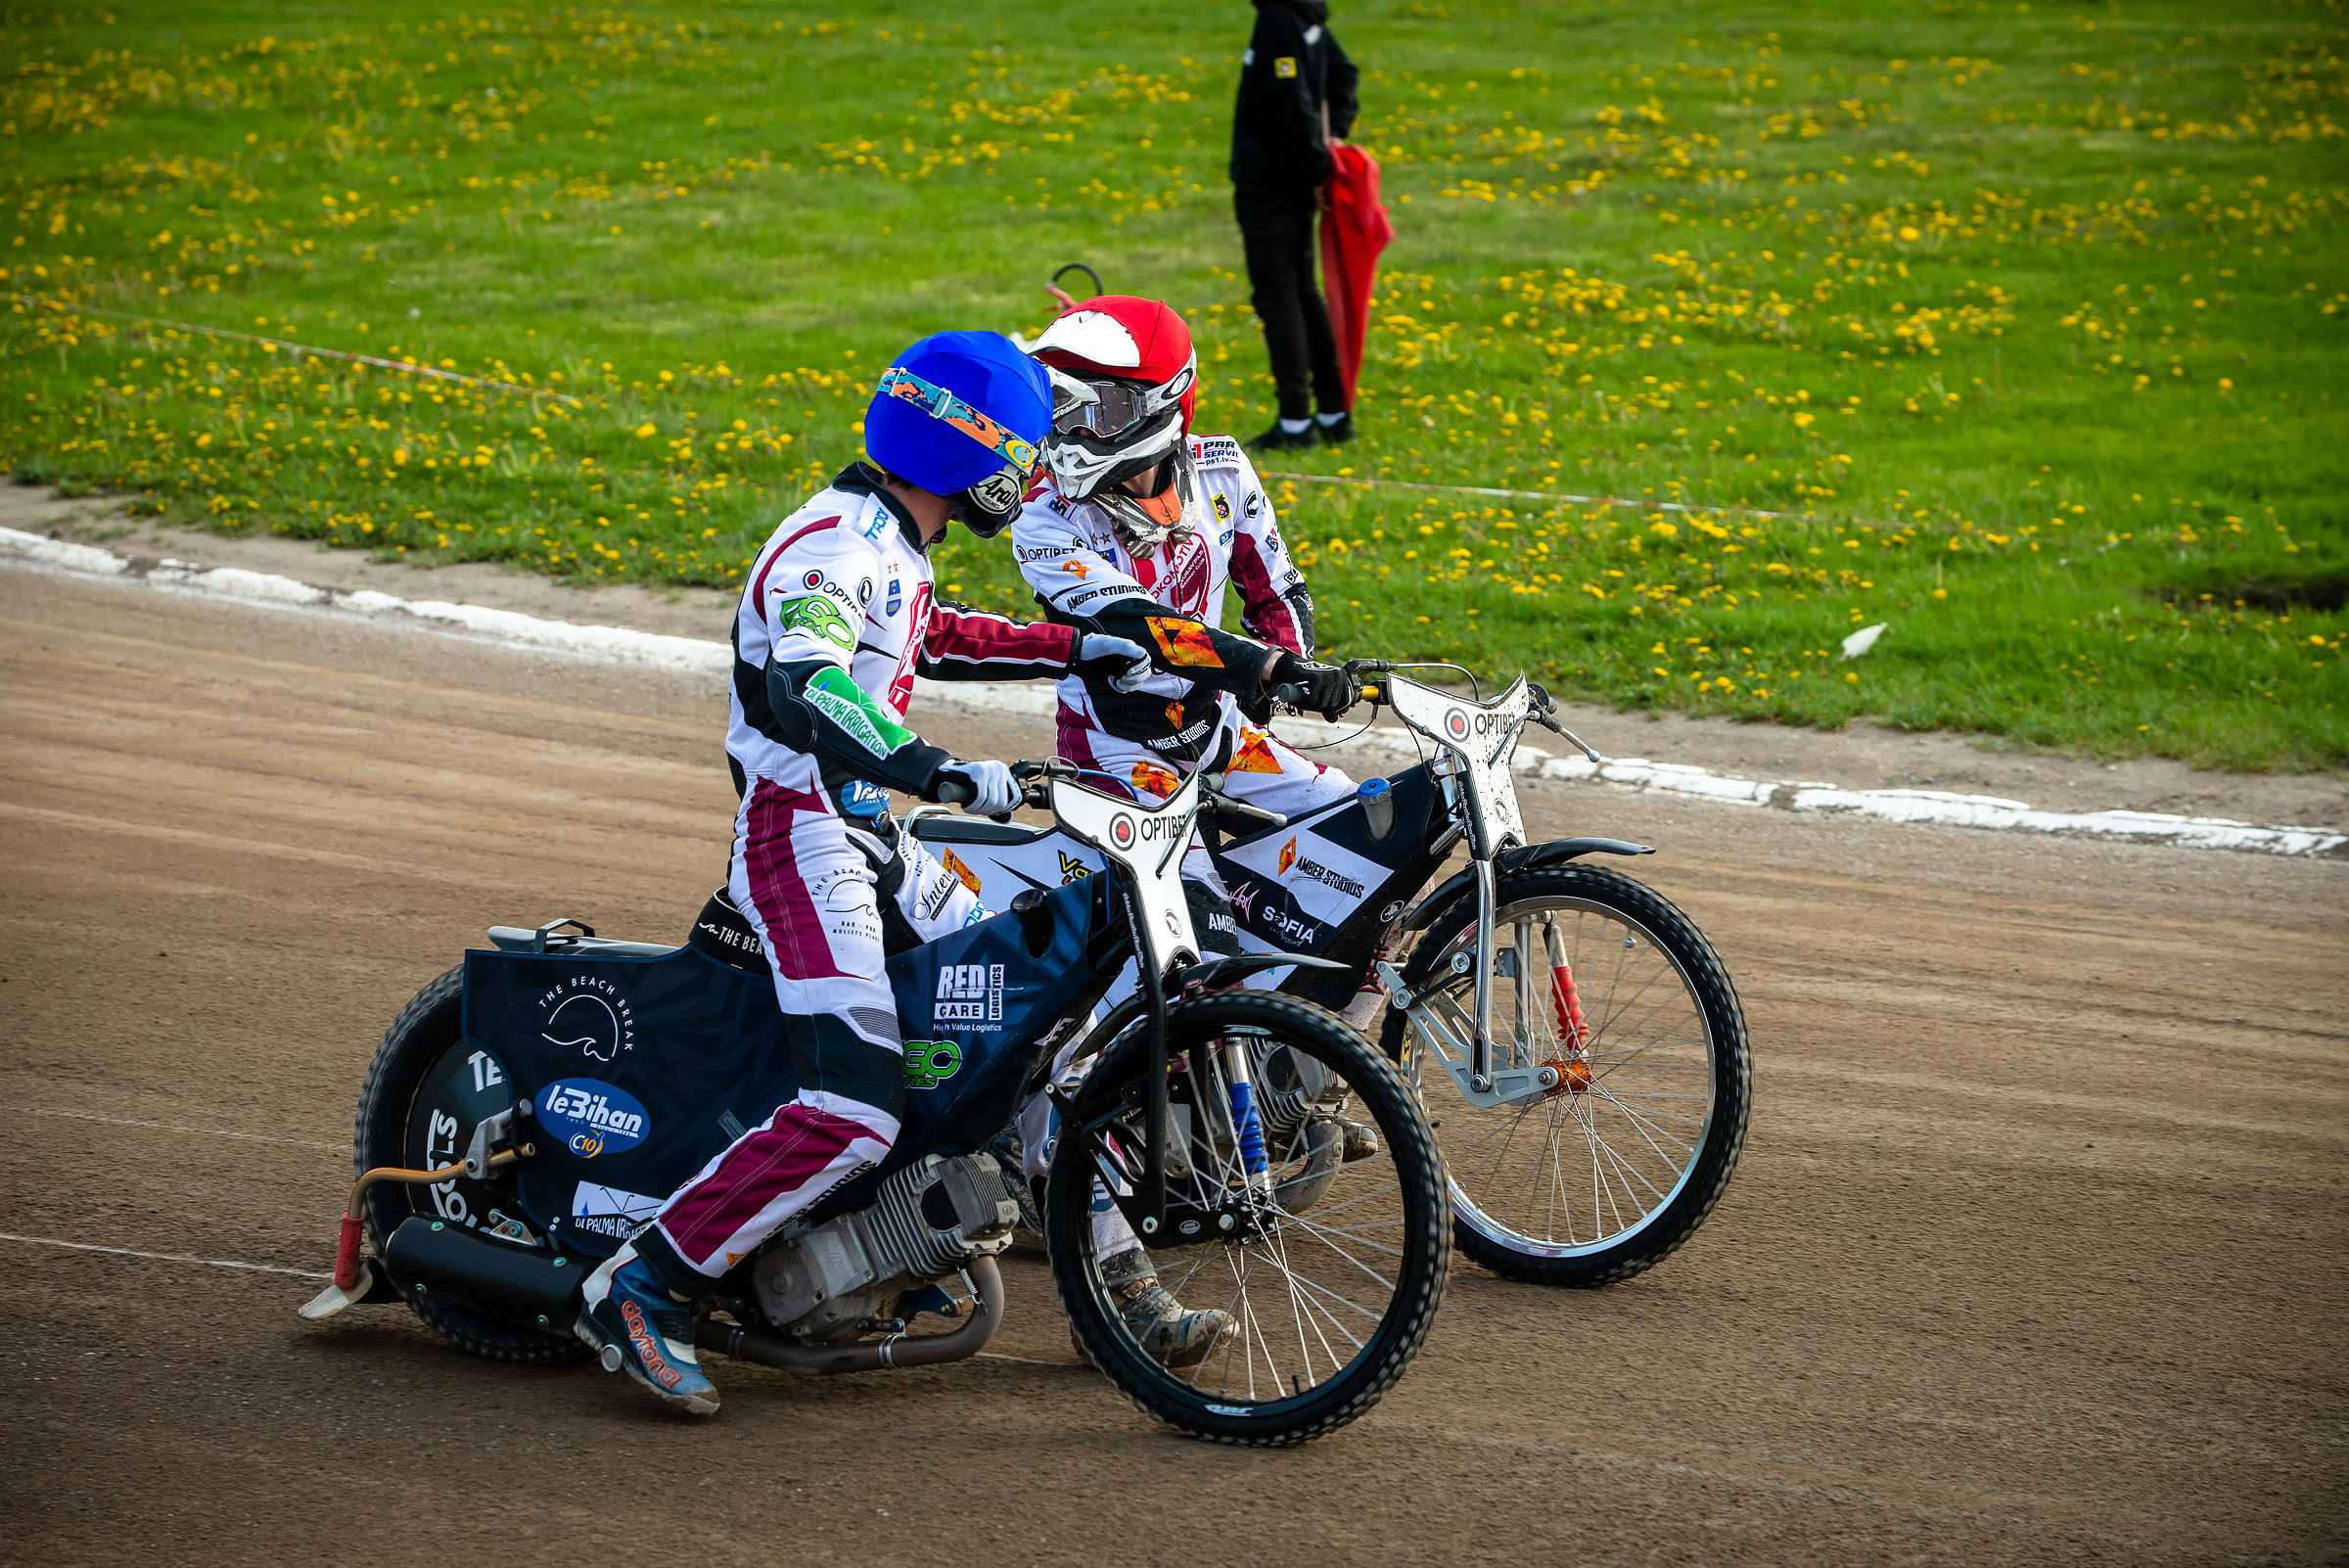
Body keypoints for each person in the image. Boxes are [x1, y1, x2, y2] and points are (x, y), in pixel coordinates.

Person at [575, 331, 1169, 1417]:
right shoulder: (833, 548)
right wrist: (937, 771)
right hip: (796, 838)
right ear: (969, 450)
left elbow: (934, 637)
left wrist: (1085, 646)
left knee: (1024, 1035)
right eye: (1025, 450)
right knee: (855, 1108)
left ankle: (1117, 1285)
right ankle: (644, 1286)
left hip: (864, 836)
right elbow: (814, 691)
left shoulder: (892, 541)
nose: (1034, 474)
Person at [1014, 294, 1361, 880]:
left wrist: (1287, 674)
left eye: (1107, 407)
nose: (1078, 429)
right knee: (1203, 929)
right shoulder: (1042, 510)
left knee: (1362, 826)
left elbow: (1277, 590)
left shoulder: (1222, 471)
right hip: (1116, 749)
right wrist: (1267, 668)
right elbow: (1144, 628)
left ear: (1167, 400)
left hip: (1221, 728)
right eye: (1067, 404)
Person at [1230, 0, 1359, 452]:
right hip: (1292, 185)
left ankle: (1296, 422)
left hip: (1271, 185)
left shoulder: (1278, 20)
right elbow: (1345, 76)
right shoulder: (1306, 18)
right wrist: (1331, 143)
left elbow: (1292, 103)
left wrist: (1320, 163)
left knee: (1278, 295)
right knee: (1302, 291)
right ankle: (1333, 413)